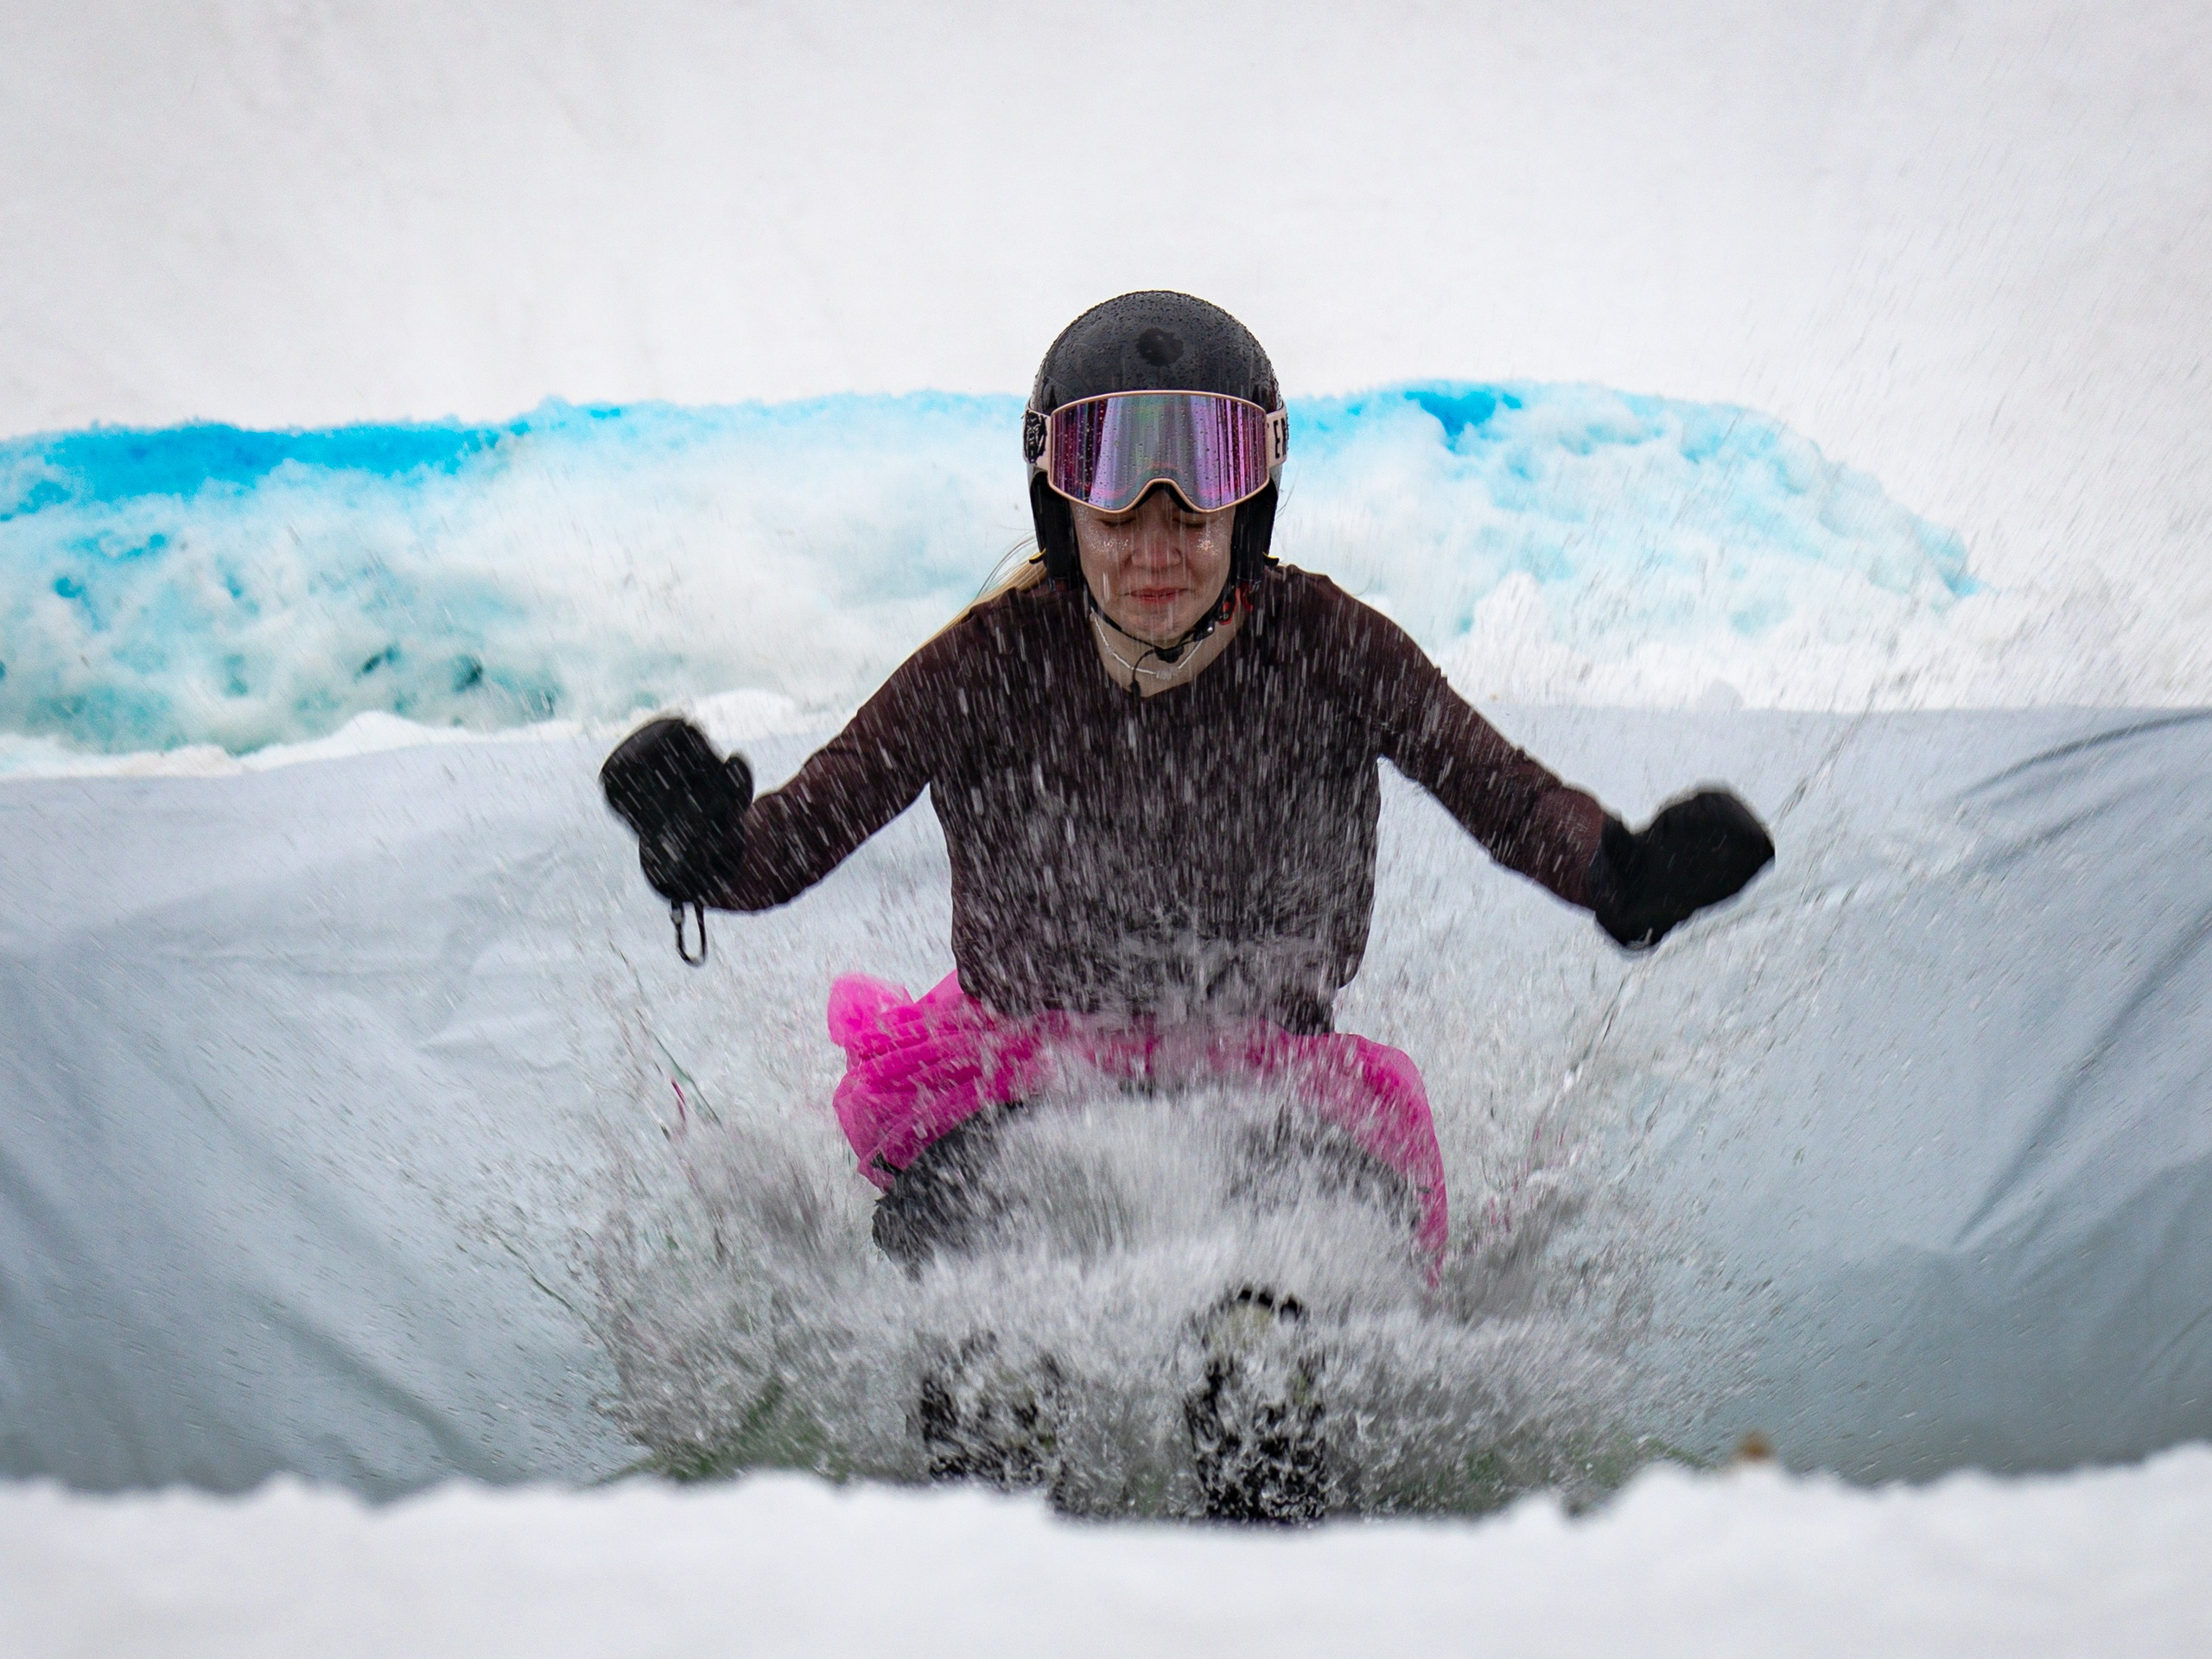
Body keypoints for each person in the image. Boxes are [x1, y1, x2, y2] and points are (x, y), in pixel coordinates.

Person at [601, 290, 1774, 1516]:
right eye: (1114, 490)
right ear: (1058, 499)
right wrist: (697, 847)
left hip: (1278, 1098)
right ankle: (995, 1509)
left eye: (1197, 489)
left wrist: (1621, 875)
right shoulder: (990, 663)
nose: (1155, 543)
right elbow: (784, 847)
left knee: (1277, 1339)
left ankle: (1267, 1465)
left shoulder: (1326, 645)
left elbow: (1507, 797)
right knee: (991, 1342)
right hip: (1023, 1099)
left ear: (1252, 500)